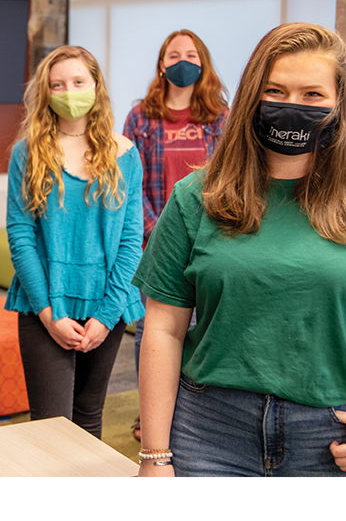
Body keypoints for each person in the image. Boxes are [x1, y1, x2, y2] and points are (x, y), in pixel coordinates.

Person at [134, 23, 346, 508]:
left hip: (337, 438)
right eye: (275, 90)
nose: (293, 104)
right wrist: (154, 455)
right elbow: (162, 329)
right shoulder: (196, 198)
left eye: (313, 93)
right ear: (252, 96)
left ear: (338, 104)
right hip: (208, 433)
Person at [5, 45, 144, 439]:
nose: (69, 92)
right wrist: (49, 314)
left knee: (88, 419)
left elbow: (132, 240)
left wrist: (106, 316)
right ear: (45, 94)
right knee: (52, 428)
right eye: (57, 85)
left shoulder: (125, 154)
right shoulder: (27, 153)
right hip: (44, 303)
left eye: (78, 82)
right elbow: (20, 236)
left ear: (96, 86)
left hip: (107, 304)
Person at [123, 29, 228, 441]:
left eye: (190, 53)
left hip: (208, 239)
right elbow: (129, 183)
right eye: (173, 54)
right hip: (156, 241)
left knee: (201, 325)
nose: (182, 60)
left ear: (202, 62)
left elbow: (229, 177)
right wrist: (158, 231)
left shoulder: (220, 116)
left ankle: (192, 409)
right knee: (154, 328)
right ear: (162, 65)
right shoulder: (140, 117)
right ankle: (148, 411)